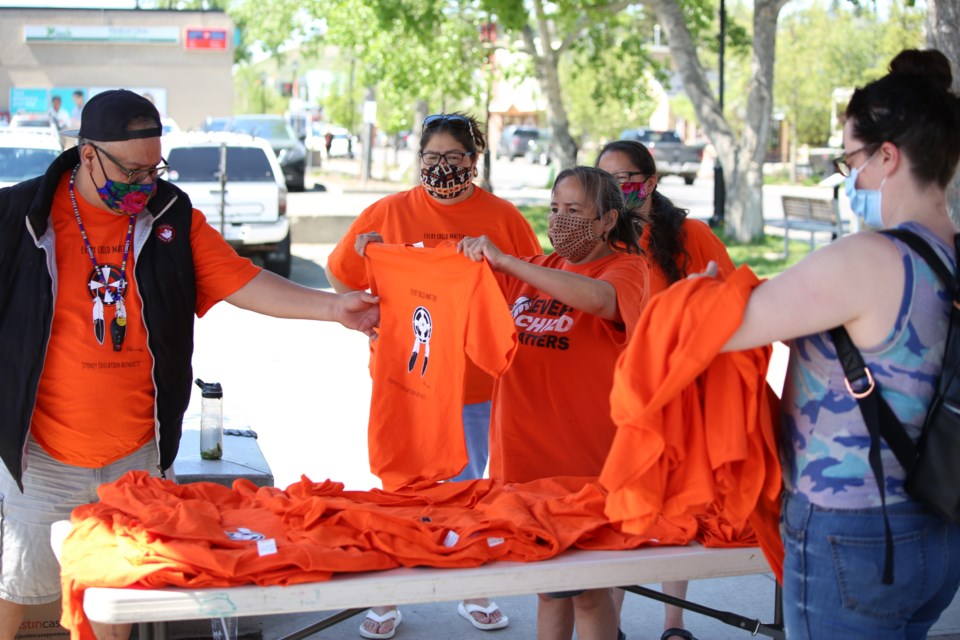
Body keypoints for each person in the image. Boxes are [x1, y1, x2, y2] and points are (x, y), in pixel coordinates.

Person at [0, 89, 379, 640]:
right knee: (18, 585)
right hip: (43, 455)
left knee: (120, 592)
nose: (143, 183)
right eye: (130, 170)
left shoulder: (171, 215)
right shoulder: (19, 216)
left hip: (139, 453)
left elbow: (246, 282)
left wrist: (333, 307)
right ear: (86, 155)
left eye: (153, 167)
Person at [714, 49, 960, 638]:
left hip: (852, 529)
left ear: (888, 156)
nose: (849, 176)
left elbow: (721, 327)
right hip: (938, 523)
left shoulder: (866, 258)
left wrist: (702, 290)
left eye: (851, 159)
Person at [325, 112, 541, 638]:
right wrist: (368, 300)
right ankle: (391, 588)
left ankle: (472, 586)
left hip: (474, 383)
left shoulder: (502, 217)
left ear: (474, 160)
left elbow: (531, 285)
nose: (441, 168)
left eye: (453, 158)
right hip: (407, 379)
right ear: (418, 159)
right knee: (402, 486)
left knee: (468, 487)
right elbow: (342, 274)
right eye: (431, 158)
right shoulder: (388, 212)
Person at [459, 166, 649, 640]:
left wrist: (510, 264)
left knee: (587, 588)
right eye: (554, 209)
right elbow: (455, 287)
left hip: (585, 466)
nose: (559, 220)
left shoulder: (627, 268)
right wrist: (385, 255)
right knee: (547, 586)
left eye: (574, 210)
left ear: (606, 221)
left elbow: (602, 302)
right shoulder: (539, 267)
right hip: (522, 460)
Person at [596, 139, 735, 640]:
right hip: (620, 393)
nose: (616, 190)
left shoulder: (691, 234)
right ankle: (609, 626)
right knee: (621, 509)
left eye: (626, 179)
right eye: (605, 181)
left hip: (682, 389)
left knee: (680, 510)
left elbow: (729, 293)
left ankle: (673, 625)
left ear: (650, 183)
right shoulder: (601, 235)